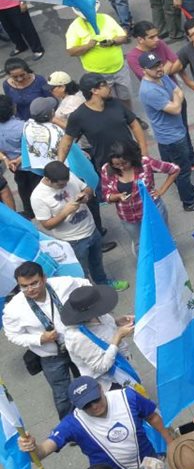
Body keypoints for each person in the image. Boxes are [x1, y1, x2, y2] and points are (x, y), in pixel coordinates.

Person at [19, 377, 173, 469]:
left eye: (95, 399)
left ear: (100, 388)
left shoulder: (127, 397)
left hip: (150, 466)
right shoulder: (73, 423)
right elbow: (45, 450)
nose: (94, 406)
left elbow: (152, 417)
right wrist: (33, 448)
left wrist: (171, 443)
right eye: (86, 405)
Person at [2, 261, 86, 417]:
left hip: (77, 345)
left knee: (87, 380)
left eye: (34, 283)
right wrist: (39, 338)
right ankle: (70, 427)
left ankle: (92, 414)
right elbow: (12, 335)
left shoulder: (63, 284)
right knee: (62, 394)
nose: (30, 289)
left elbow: (86, 286)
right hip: (51, 357)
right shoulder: (13, 309)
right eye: (24, 286)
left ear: (44, 278)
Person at [32, 161, 125, 290]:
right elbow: (47, 225)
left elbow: (87, 188)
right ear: (48, 179)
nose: (65, 185)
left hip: (92, 230)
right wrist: (65, 212)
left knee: (97, 262)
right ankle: (87, 293)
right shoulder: (38, 197)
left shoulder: (68, 176)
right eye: (60, 185)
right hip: (73, 240)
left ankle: (102, 282)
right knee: (81, 270)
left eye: (66, 182)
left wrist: (86, 195)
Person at [136, 52, 194, 211]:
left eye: (159, 64)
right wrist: (176, 100)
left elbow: (179, 92)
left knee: (178, 168)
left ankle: (188, 190)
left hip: (174, 133)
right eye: (153, 67)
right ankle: (189, 202)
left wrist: (176, 99)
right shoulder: (149, 90)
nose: (159, 69)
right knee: (182, 170)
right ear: (144, 70)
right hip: (171, 138)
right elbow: (175, 109)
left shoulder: (161, 77)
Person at [99, 141, 179, 253]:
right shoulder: (106, 169)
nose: (121, 167)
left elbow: (174, 169)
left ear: (131, 157)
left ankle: (171, 265)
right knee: (140, 245)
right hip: (128, 217)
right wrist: (117, 196)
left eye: (124, 163)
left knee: (163, 237)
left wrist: (161, 190)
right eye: (116, 165)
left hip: (153, 210)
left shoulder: (145, 163)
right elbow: (106, 194)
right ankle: (148, 269)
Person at [64, 8, 133, 110]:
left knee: (126, 96)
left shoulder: (106, 18)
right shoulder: (74, 27)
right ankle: (118, 120)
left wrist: (112, 41)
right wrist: (88, 46)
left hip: (119, 68)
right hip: (97, 74)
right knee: (107, 101)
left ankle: (131, 116)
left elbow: (123, 37)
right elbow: (71, 51)